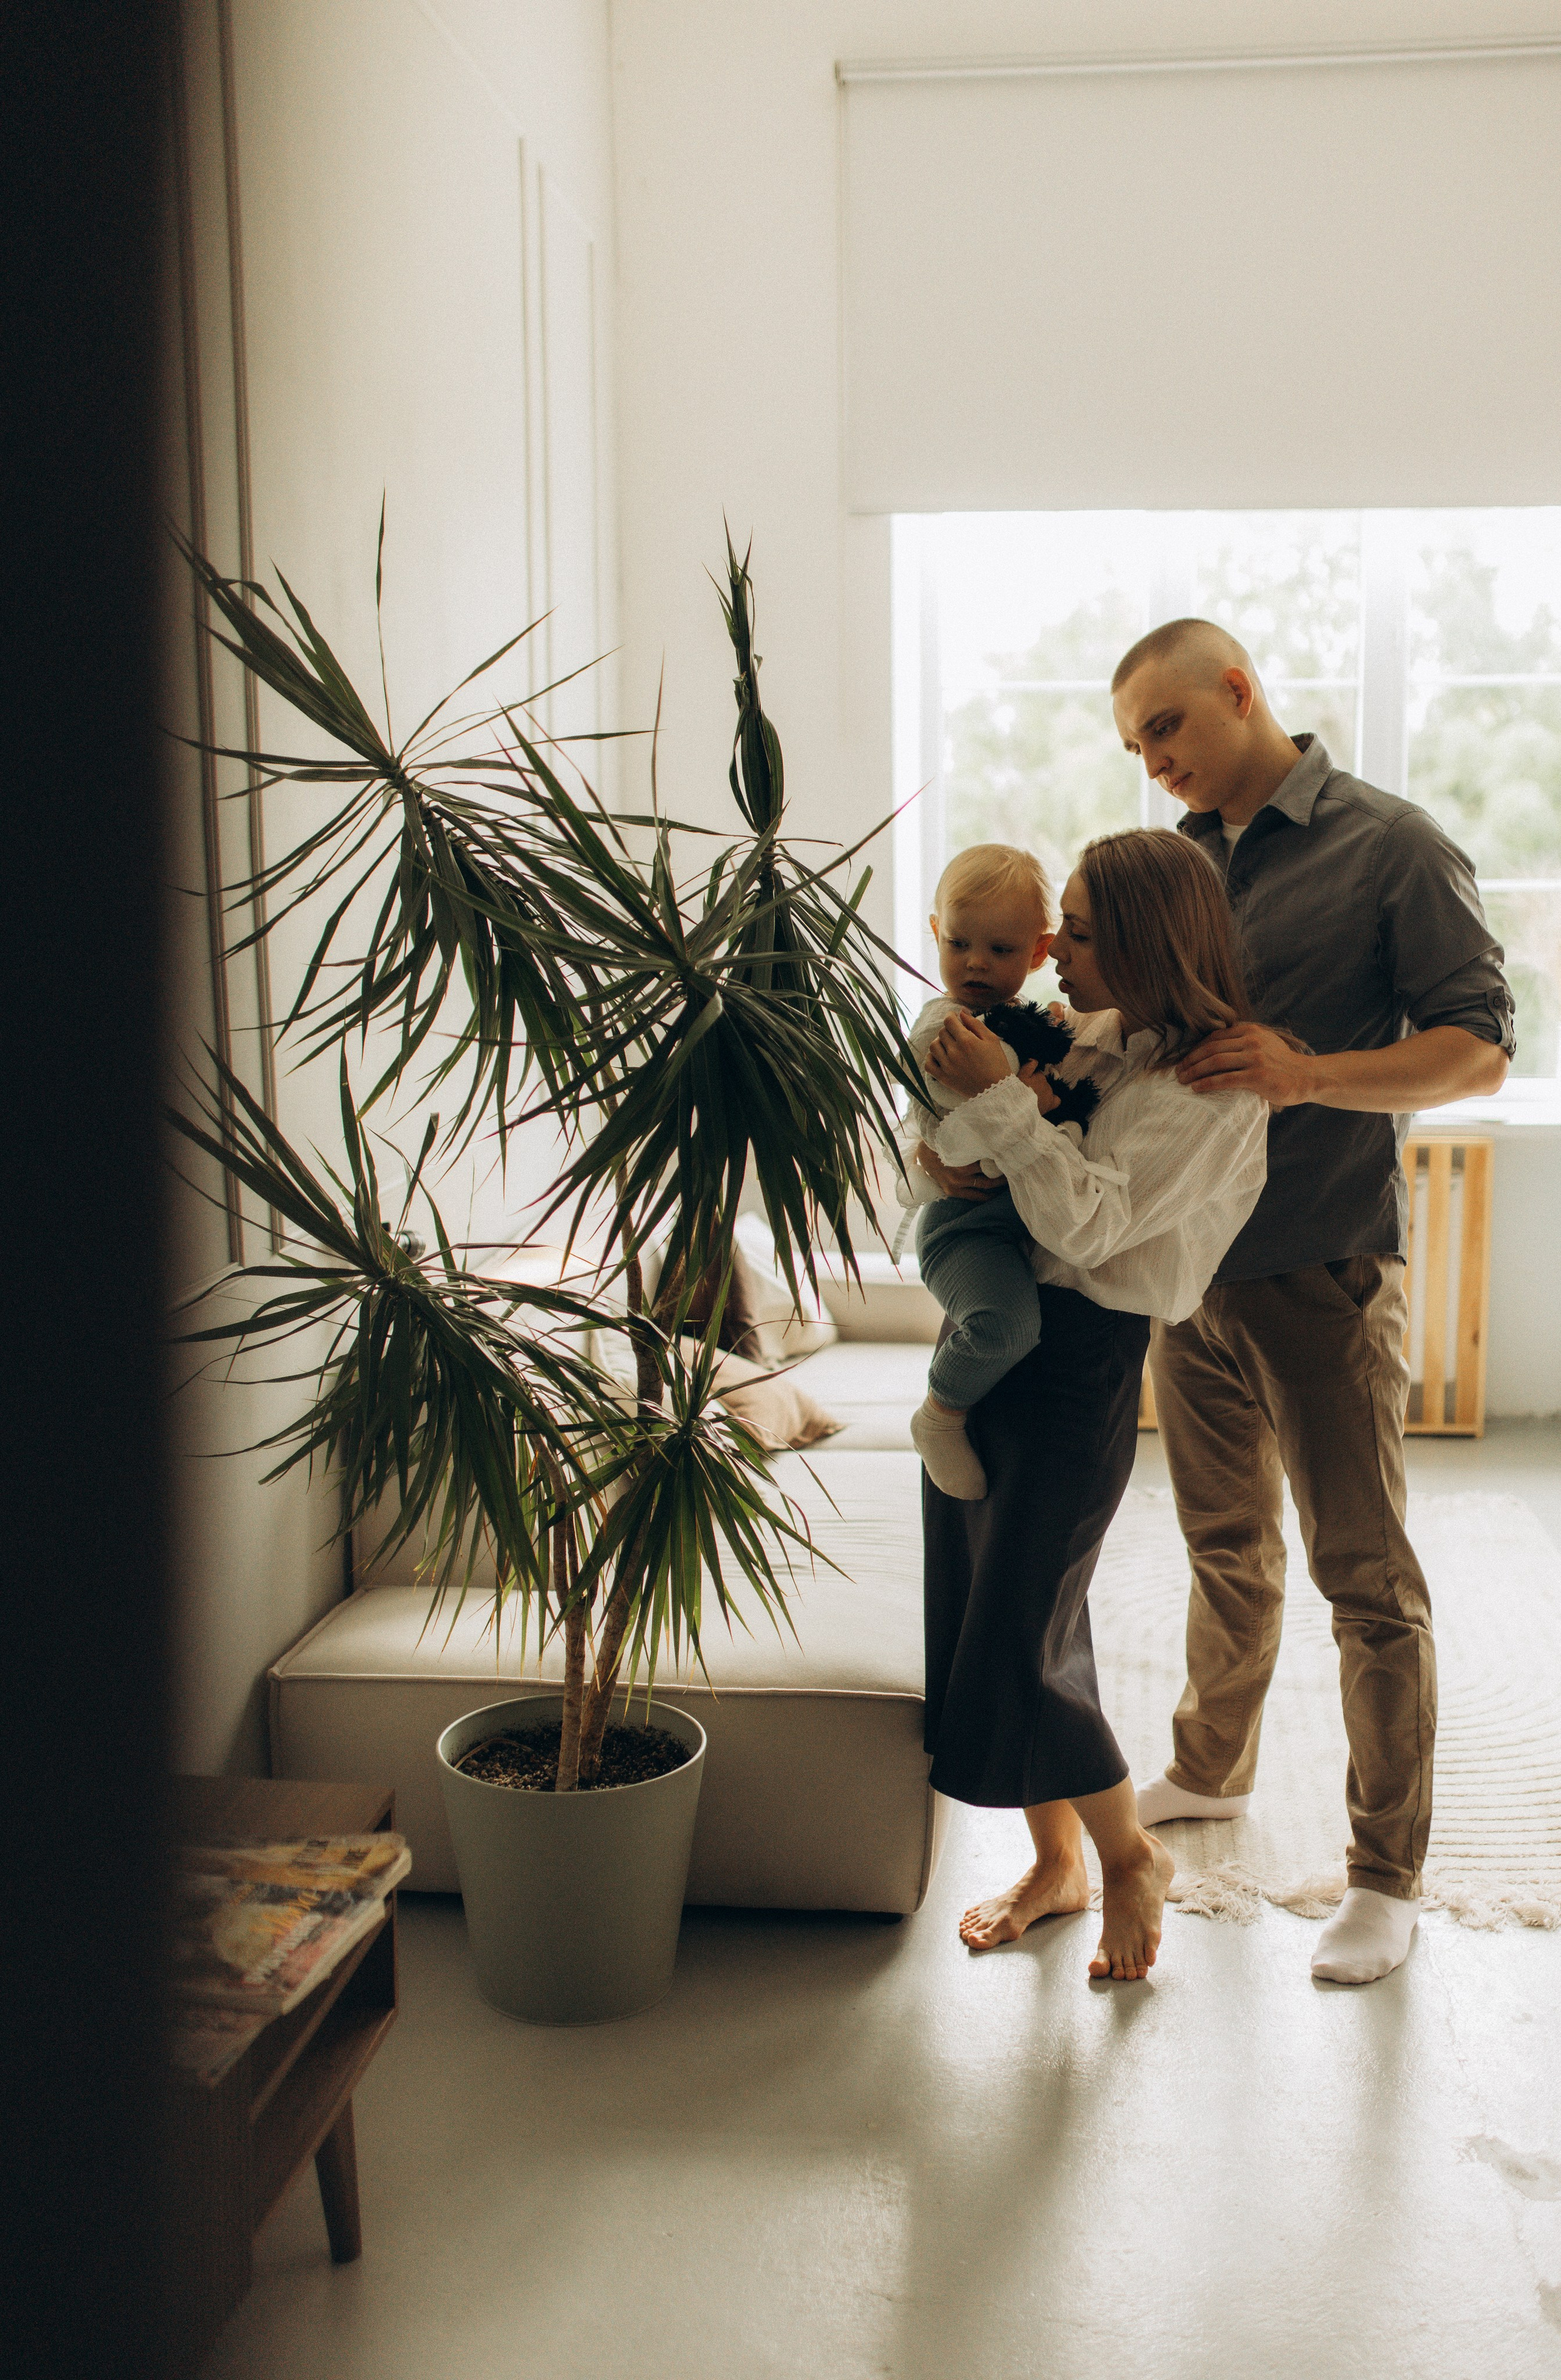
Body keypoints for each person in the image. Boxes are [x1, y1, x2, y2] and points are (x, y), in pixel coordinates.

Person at [1111, 617, 1515, 1987]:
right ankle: (1203, 1767)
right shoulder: (1177, 868)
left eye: (1164, 727)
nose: (1151, 761)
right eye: (1131, 746)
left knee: (1362, 1578)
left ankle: (1383, 1876)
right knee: (1223, 1542)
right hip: (1188, 1273)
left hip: (1320, 1267)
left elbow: (1476, 1051)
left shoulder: (1388, 843)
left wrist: (1305, 1072)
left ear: (1237, 691)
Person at [909, 828, 1269, 1980]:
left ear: (1153, 942)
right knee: (998, 1608)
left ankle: (1127, 1859)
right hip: (996, 1331)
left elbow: (1091, 1226)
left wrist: (997, 1115)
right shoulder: (1100, 1035)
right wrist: (940, 1155)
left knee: (1020, 1625)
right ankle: (1057, 1858)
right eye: (1055, 922)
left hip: (1079, 1360)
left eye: (1084, 929)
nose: (1055, 948)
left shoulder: (1208, 1088)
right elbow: (964, 1123)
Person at [904, 843, 1112, 1502]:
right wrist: (1029, 1102)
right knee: (1007, 1326)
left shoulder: (1024, 1024)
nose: (973, 963)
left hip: (1008, 1224)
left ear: (1036, 951)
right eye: (959, 942)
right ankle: (940, 1414)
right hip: (963, 1228)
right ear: (935, 932)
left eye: (998, 950)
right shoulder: (946, 1026)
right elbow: (962, 1131)